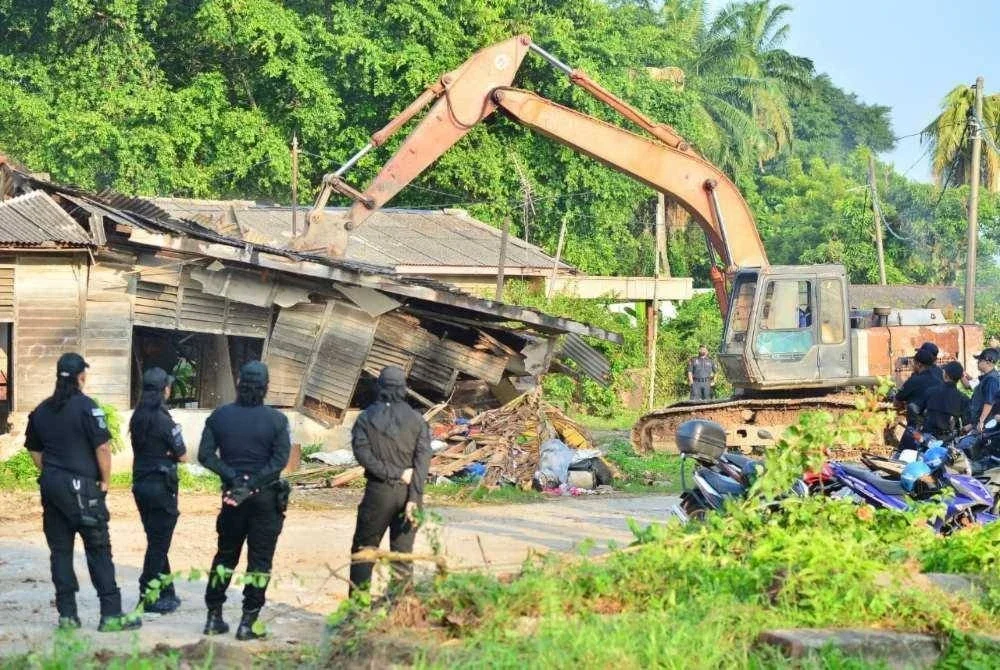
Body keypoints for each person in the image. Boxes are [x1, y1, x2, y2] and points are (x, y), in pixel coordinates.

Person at [24, 353, 140, 632]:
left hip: (53, 490)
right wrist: (105, 481)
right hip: (84, 490)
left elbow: (34, 450)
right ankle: (111, 615)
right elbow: (102, 448)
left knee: (60, 553)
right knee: (99, 550)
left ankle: (67, 616)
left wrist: (52, 472)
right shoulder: (88, 408)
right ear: (81, 377)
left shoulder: (41, 410)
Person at [198, 361, 291, 640]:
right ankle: (248, 622)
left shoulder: (219, 417)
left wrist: (235, 480)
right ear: (266, 387)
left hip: (231, 499)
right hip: (265, 500)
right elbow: (279, 462)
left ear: (238, 382)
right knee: (260, 561)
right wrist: (252, 485)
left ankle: (213, 617)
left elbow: (205, 455)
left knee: (225, 556)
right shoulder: (277, 420)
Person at [349, 366, 432, 600]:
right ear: (404, 388)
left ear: (380, 386)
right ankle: (400, 611)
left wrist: (393, 473)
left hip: (379, 493)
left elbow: (363, 456)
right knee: (402, 557)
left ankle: (357, 612)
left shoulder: (365, 418)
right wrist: (414, 498)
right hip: (410, 495)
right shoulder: (418, 421)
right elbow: (423, 461)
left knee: (364, 552)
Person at [130, 367, 187, 614]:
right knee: (159, 544)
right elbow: (182, 455)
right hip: (161, 488)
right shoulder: (164, 420)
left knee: (156, 540)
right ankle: (147, 595)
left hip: (140, 486)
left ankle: (167, 591)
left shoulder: (137, 418)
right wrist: (168, 453)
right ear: (165, 390)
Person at [922, 361, 970, 439]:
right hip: (949, 439)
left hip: (928, 437)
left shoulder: (930, 391)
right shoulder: (963, 398)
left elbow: (919, 410)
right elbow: (966, 423)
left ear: (945, 374)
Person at [894, 347, 942, 420]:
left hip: (918, 424)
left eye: (914, 363)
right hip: (935, 423)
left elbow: (896, 402)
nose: (913, 365)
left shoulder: (913, 381)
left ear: (919, 364)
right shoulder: (938, 380)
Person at [967, 348, 1000, 432]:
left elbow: (989, 402)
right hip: (982, 423)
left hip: (986, 425)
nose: (977, 362)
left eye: (979, 360)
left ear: (988, 362)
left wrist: (981, 421)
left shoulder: (991, 379)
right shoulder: (987, 378)